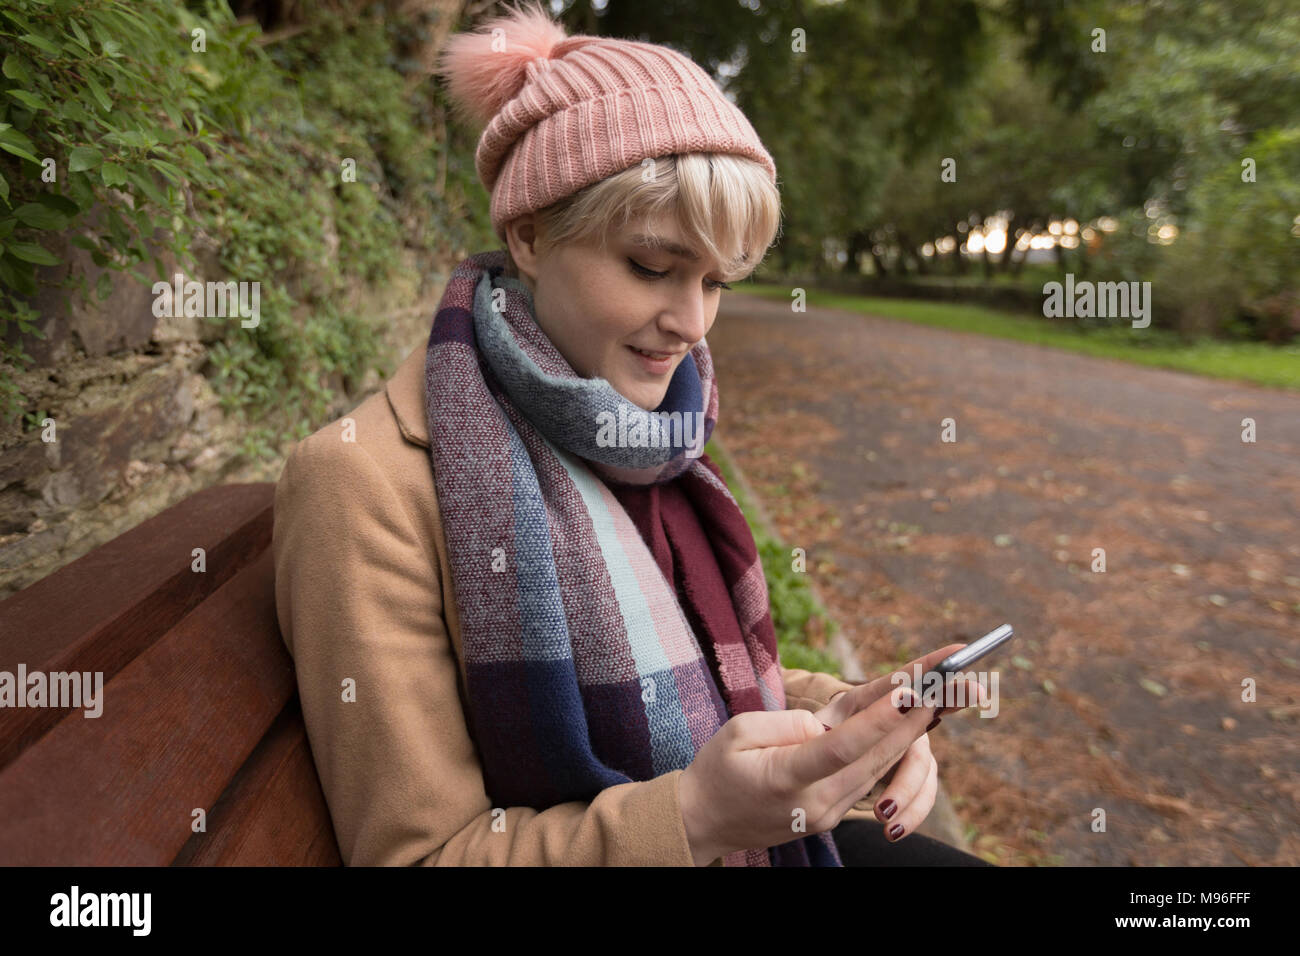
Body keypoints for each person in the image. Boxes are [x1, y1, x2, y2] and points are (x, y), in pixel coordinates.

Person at [271, 0, 991, 867]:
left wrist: (844, 716)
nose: (691, 322)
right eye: (652, 266)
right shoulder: (361, 485)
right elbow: (422, 857)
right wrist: (693, 819)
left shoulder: (644, 431)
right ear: (530, 233)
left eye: (717, 280)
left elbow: (699, 676)